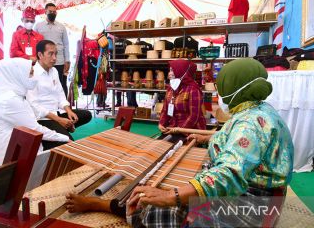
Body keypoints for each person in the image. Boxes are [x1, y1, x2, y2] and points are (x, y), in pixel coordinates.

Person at [64, 58, 294, 227]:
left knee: (160, 209)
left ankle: (104, 206)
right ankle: (116, 205)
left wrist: (171, 195)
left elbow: (229, 175)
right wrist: (209, 137)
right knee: (177, 186)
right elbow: (244, 144)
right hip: (265, 196)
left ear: (233, 86)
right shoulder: (258, 110)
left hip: (252, 206)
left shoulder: (249, 124)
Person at [0, 58, 70, 168]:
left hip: (17, 149)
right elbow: (35, 129)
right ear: (18, 75)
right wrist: (64, 138)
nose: (34, 78)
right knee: (65, 152)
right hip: (9, 161)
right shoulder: (9, 100)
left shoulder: (15, 95)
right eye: (30, 73)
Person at [26, 40, 92, 150]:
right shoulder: (32, 73)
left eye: (56, 54)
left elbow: (60, 94)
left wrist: (69, 111)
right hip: (43, 119)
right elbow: (35, 107)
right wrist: (59, 120)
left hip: (57, 113)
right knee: (69, 145)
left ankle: (62, 128)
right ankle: (50, 135)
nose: (54, 58)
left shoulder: (54, 71)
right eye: (50, 54)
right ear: (40, 55)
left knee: (86, 115)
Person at [158, 60, 206, 138]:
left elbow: (194, 115)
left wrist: (180, 129)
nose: (169, 74)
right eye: (169, 70)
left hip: (190, 130)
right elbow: (165, 109)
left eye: (172, 70)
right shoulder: (171, 88)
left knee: (173, 147)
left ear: (181, 71)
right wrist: (161, 123)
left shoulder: (193, 90)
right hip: (173, 128)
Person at [34, 3, 70, 96]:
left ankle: (63, 109)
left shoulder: (61, 27)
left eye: (54, 12)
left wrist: (67, 60)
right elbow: (35, 44)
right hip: (44, 61)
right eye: (50, 11)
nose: (53, 13)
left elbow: (66, 44)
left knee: (61, 85)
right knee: (45, 84)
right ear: (45, 12)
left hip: (59, 61)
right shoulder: (38, 26)